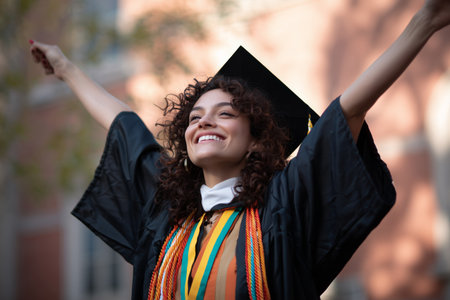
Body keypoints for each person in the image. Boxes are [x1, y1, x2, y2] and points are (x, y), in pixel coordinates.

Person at [30, 1, 450, 299]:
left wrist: (424, 23)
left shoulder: (282, 204)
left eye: (224, 113)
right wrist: (66, 69)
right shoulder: (169, 212)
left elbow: (347, 112)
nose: (204, 122)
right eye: (194, 117)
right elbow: (126, 126)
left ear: (255, 140)